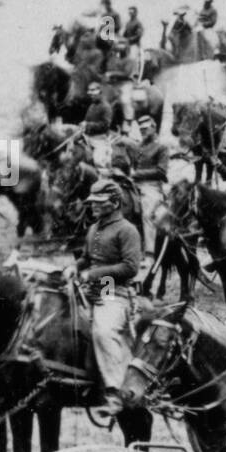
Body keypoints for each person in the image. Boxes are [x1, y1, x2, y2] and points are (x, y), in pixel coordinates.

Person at [74, 179, 140, 417]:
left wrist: (93, 274)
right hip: (91, 287)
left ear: (114, 203)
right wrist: (74, 268)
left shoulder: (127, 230)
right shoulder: (94, 228)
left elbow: (131, 267)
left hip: (115, 290)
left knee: (103, 330)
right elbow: (85, 257)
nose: (93, 206)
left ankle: (115, 391)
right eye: (92, 202)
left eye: (99, 203)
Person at [130, 115, 170, 255]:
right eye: (140, 129)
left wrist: (136, 174)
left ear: (153, 128)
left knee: (147, 213)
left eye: (145, 129)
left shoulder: (161, 147)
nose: (143, 131)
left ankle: (150, 252)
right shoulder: (139, 146)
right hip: (135, 183)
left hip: (151, 185)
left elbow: (161, 171)